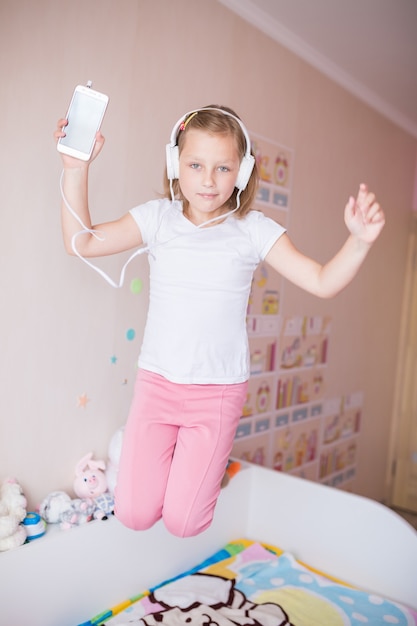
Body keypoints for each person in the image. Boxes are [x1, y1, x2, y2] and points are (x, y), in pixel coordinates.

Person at [54, 105, 385, 538]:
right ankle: (180, 463)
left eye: (222, 168)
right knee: (133, 514)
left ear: (242, 173)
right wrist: (75, 169)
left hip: (217, 394)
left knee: (184, 522)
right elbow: (80, 241)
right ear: (176, 164)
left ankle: (209, 470)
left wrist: (359, 243)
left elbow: (322, 281)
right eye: (195, 165)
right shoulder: (157, 218)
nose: (208, 180)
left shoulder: (253, 229)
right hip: (158, 386)